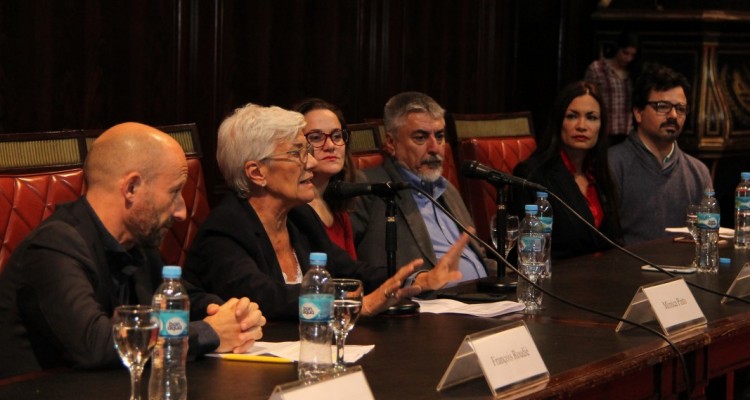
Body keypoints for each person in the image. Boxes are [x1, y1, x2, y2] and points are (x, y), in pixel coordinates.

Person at [0, 123, 265, 379]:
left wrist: (228, 313)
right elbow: (95, 343)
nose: (182, 211)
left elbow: (181, 296)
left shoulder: (137, 241)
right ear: (131, 188)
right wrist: (208, 332)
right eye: (174, 192)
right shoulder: (53, 247)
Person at [183, 104, 470, 320]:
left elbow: (350, 271)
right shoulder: (224, 231)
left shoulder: (298, 216)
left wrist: (414, 280)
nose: (310, 163)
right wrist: (353, 304)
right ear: (256, 172)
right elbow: (264, 297)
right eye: (297, 153)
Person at [350, 91, 495, 281]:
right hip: (427, 304)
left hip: (483, 299)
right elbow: (347, 266)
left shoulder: (447, 189)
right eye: (420, 138)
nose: (435, 148)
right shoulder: (370, 188)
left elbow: (480, 257)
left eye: (440, 136)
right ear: (392, 143)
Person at [512, 81, 622, 259]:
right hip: (554, 280)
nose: (581, 125)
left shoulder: (601, 175)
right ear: (558, 122)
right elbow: (527, 251)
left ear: (601, 127)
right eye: (572, 116)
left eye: (591, 117)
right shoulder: (532, 175)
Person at [609, 63, 712, 245]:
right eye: (662, 106)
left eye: (680, 109)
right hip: (626, 270)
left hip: (685, 269)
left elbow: (707, 239)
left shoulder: (698, 172)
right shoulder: (613, 163)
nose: (673, 115)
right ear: (638, 112)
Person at [292, 98, 358, 259]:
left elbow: (353, 276)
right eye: (316, 137)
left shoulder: (339, 212)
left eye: (337, 136)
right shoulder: (291, 210)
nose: (330, 145)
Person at [584, 31, 640, 144]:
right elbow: (586, 98)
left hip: (627, 131)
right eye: (625, 53)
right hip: (605, 130)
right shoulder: (597, 69)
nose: (628, 58)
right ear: (617, 49)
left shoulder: (634, 73)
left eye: (632, 55)